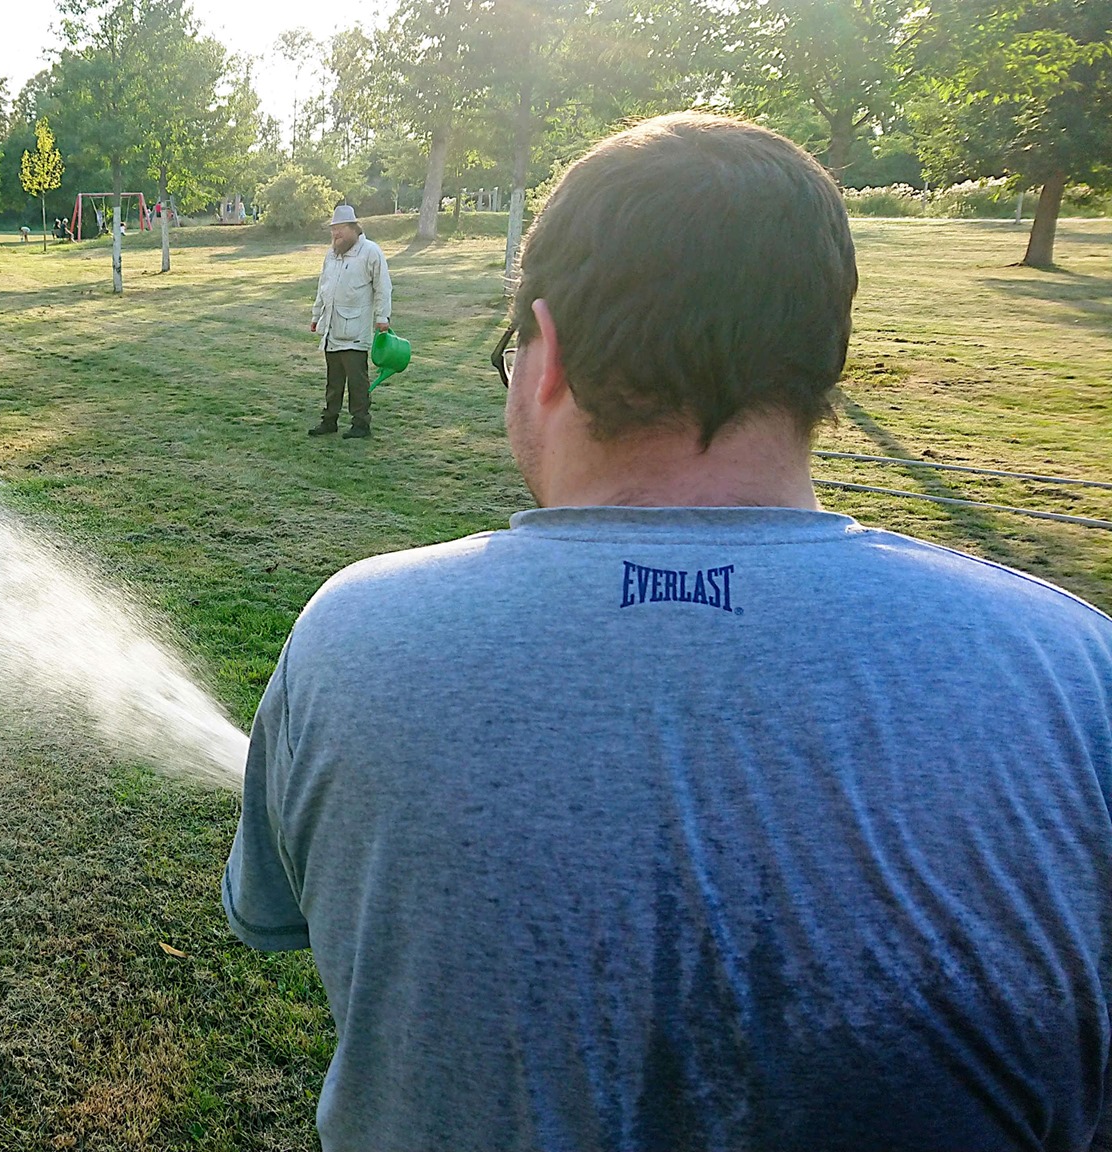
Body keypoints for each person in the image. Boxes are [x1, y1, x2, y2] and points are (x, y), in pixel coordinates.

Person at [224, 111, 1112, 1151]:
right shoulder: (1078, 676)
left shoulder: (349, 636)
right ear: (821, 366)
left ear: (545, 355)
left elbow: (268, 914)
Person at [308, 204, 391, 439]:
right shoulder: (331, 254)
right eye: (333, 229)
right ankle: (329, 421)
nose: (336, 234)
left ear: (354, 228)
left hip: (356, 330)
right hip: (332, 328)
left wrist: (382, 317)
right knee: (333, 381)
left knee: (357, 382)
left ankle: (361, 424)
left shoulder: (371, 252)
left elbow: (383, 286)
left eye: (341, 229)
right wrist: (316, 316)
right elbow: (322, 288)